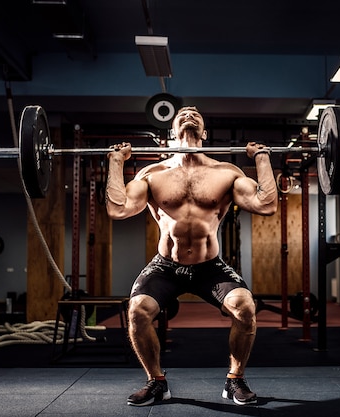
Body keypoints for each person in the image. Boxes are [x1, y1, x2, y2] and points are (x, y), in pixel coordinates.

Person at [106, 106, 278, 406]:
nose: (189, 114)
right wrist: (116, 162)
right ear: (172, 132)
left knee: (246, 309)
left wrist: (262, 159)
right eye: (182, 114)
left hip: (209, 267)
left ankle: (235, 380)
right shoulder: (152, 174)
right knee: (137, 311)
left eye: (196, 114)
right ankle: (156, 382)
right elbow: (118, 209)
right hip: (165, 266)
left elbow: (266, 205)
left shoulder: (225, 172)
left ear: (206, 132)